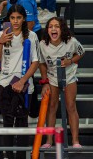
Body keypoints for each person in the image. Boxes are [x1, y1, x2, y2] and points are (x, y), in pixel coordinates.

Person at [0, 4, 40, 159]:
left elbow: (35, 62)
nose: (15, 21)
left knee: (22, 122)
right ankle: (9, 156)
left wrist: (22, 81)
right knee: (7, 121)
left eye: (18, 18)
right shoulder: (1, 34)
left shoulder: (32, 36)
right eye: (12, 18)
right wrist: (0, 42)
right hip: (5, 82)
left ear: (24, 18)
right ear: (9, 18)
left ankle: (20, 156)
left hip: (25, 85)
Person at [40, 17, 85, 148]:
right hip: (52, 77)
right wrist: (45, 81)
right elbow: (42, 63)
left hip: (69, 77)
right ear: (47, 30)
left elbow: (81, 52)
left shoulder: (72, 42)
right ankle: (49, 141)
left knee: (71, 106)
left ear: (62, 29)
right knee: (52, 107)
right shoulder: (43, 44)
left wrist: (70, 61)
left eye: (57, 26)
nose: (53, 29)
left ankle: (75, 141)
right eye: (50, 26)